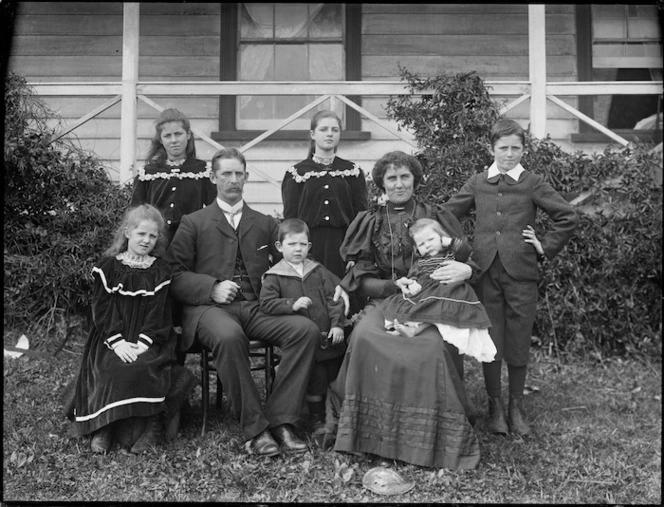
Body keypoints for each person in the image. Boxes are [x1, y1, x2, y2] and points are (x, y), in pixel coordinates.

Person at [323, 151, 481, 469]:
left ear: (415, 180)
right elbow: (362, 280)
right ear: (381, 183)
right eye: (392, 178)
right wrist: (394, 287)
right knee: (366, 337)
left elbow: (464, 257)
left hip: (429, 303)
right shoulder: (370, 222)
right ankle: (368, 435)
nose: (399, 184)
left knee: (432, 346)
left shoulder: (434, 215)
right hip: (384, 302)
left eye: (405, 177)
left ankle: (428, 439)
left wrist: (467, 270)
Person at [166, 148, 320, 458]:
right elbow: (173, 274)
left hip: (257, 307)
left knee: (305, 330)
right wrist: (211, 288)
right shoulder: (193, 222)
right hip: (209, 310)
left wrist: (330, 284)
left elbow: (293, 261)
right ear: (213, 178)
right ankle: (255, 429)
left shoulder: (263, 222)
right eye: (226, 173)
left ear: (246, 177)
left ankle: (282, 420)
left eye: (239, 174)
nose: (233, 180)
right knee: (229, 336)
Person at [445, 118, 579, 436]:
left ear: (523, 149)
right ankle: (494, 407)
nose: (509, 155)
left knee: (518, 340)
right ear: (491, 149)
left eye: (515, 148)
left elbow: (567, 215)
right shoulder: (479, 182)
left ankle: (515, 407)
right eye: (503, 148)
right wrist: (462, 246)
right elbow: (447, 213)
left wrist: (543, 245)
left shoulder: (532, 182)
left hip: (521, 273)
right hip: (485, 272)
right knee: (492, 339)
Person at [65, 204, 189, 454]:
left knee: (144, 366)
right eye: (141, 233)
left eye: (153, 236)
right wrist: (119, 342)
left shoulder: (160, 270)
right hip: (111, 336)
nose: (146, 240)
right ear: (128, 232)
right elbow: (102, 309)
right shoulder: (108, 267)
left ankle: (152, 425)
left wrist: (143, 343)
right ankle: (104, 426)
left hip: (151, 337)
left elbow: (158, 312)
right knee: (110, 366)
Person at [259, 218, 346, 432]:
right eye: (291, 244)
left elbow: (333, 298)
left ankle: (335, 416)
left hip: (330, 338)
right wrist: (291, 304)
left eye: (302, 244)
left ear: (309, 246)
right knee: (314, 380)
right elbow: (266, 303)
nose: (297, 249)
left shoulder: (317, 271)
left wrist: (338, 324)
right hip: (306, 342)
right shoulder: (275, 276)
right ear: (279, 247)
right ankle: (315, 418)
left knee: (333, 377)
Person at [382, 218, 497, 363]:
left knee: (439, 310)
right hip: (427, 292)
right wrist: (411, 283)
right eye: (422, 244)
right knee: (422, 308)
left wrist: (449, 242)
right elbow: (413, 275)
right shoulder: (420, 262)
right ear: (417, 248)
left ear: (441, 238)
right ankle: (413, 329)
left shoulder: (451, 254)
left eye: (431, 239)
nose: (427, 245)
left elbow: (465, 250)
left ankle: (417, 329)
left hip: (449, 290)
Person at [281, 109, 368, 279]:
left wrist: (354, 253)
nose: (329, 134)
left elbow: (361, 217)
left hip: (344, 247)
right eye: (324, 130)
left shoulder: (352, 171)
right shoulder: (296, 173)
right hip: (309, 247)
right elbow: (291, 218)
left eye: (335, 130)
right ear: (312, 134)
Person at [131, 108, 216, 245]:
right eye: (167, 136)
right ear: (160, 139)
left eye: (178, 134)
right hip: (155, 243)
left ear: (188, 135)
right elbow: (136, 212)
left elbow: (215, 209)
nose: (174, 140)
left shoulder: (202, 171)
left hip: (191, 243)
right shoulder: (148, 173)